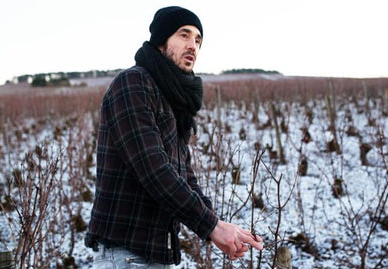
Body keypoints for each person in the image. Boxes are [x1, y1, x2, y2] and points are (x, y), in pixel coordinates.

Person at [85, 6, 263, 268]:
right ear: (160, 42)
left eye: (198, 40)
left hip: (156, 253)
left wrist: (217, 225)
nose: (193, 45)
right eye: (184, 35)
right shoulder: (133, 83)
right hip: (125, 255)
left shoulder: (172, 99)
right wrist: (211, 226)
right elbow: (153, 169)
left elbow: (183, 173)